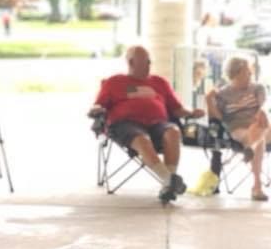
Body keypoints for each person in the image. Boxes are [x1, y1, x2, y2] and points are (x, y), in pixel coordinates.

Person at [91, 45, 205, 203]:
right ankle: (168, 179)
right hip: (126, 125)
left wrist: (192, 112)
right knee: (142, 139)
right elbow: (99, 105)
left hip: (158, 124)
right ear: (131, 62)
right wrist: (95, 110)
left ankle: (168, 184)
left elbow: (177, 109)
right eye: (146, 61)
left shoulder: (159, 82)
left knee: (173, 131)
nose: (150, 64)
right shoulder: (114, 82)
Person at [206, 56, 270, 201]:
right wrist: (209, 101)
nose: (251, 74)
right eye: (247, 71)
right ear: (236, 73)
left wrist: (262, 110)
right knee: (259, 138)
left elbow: (264, 104)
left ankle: (250, 150)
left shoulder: (257, 88)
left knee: (260, 126)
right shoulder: (222, 94)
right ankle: (257, 185)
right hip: (238, 128)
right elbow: (218, 118)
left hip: (261, 123)